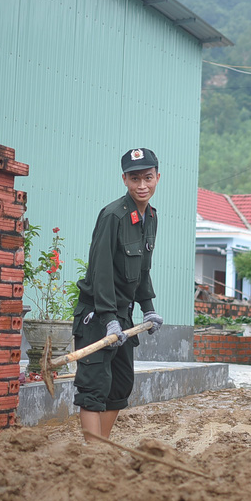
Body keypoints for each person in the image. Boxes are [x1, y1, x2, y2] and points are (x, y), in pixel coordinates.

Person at [72, 148, 163, 442]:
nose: (142, 185)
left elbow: (143, 268)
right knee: (94, 386)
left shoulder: (150, 216)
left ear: (157, 178)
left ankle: (102, 445)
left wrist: (147, 307)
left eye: (148, 178)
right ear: (124, 179)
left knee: (120, 385)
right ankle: (92, 455)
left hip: (123, 314)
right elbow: (100, 270)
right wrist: (108, 317)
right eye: (135, 178)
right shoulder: (113, 215)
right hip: (96, 313)